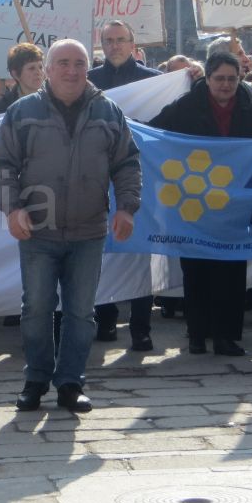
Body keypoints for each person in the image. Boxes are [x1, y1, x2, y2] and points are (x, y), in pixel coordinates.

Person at [0, 38, 141, 413]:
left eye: (78, 63)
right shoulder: (22, 112)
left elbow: (127, 164)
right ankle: (36, 379)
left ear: (87, 68)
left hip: (89, 233)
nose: (71, 71)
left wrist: (126, 208)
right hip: (38, 232)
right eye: (63, 63)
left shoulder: (109, 112)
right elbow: (4, 165)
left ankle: (71, 383)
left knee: (80, 313)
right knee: (37, 309)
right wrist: (12, 209)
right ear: (48, 69)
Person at [150, 52, 252, 355]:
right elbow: (155, 130)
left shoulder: (248, 108)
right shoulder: (186, 105)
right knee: (196, 269)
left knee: (230, 271)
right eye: (220, 79)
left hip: (232, 204)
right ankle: (197, 333)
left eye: (232, 78)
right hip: (195, 202)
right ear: (208, 78)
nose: (226, 85)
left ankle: (225, 335)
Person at [87, 19, 161, 351]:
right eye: (108, 40)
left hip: (140, 179)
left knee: (138, 252)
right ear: (100, 45)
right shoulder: (87, 82)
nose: (115, 45)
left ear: (133, 44)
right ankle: (105, 319)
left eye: (121, 39)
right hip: (96, 180)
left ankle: (141, 328)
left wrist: (191, 81)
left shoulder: (156, 82)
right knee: (100, 251)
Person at [0, 42, 45, 109]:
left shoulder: (56, 99)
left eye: (40, 67)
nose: (38, 72)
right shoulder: (3, 106)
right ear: (16, 74)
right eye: (31, 68)